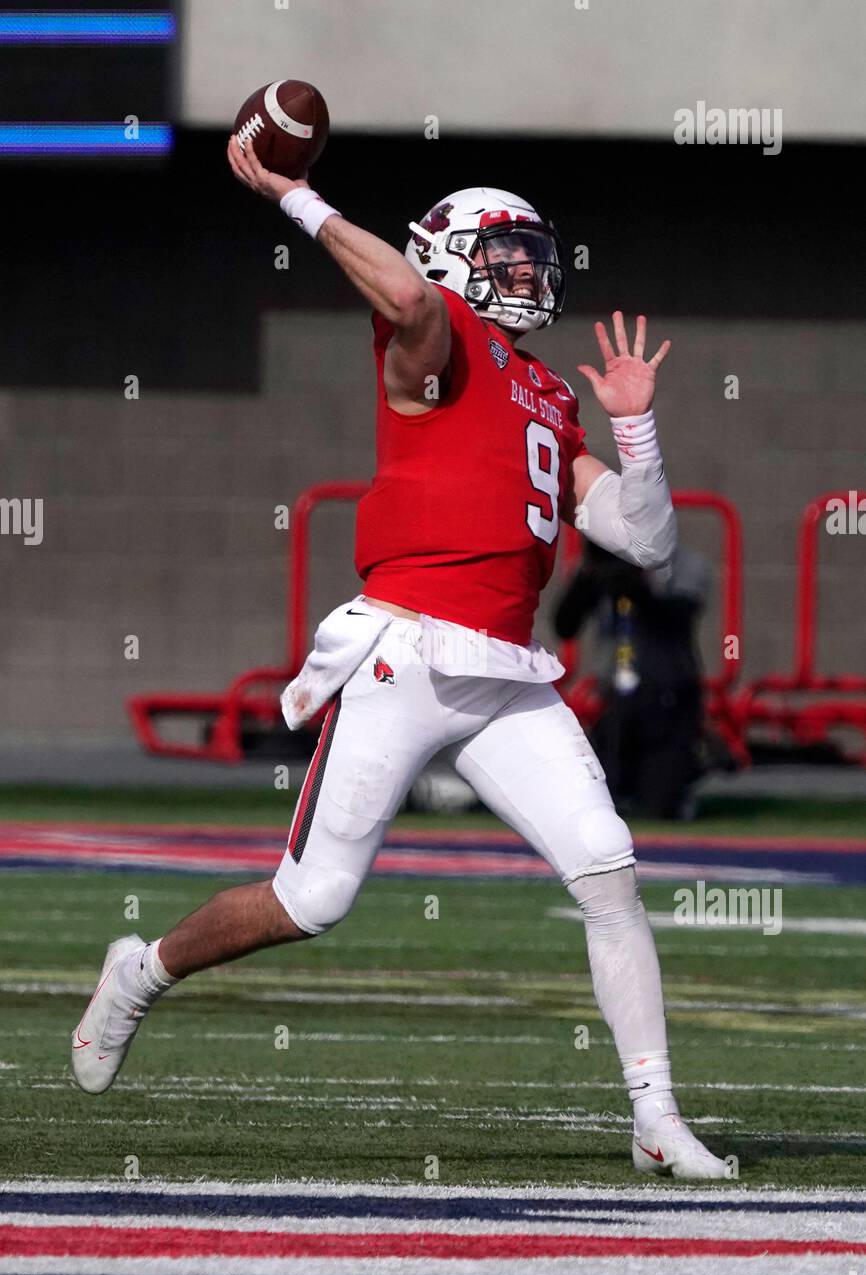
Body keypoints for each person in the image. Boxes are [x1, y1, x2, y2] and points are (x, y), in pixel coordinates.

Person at [70, 141, 729, 1179]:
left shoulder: (549, 396)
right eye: (505, 255)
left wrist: (637, 432)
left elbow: (642, 539)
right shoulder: (437, 336)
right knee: (313, 900)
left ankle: (652, 1114)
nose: (528, 272)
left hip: (505, 673)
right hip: (406, 653)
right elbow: (413, 307)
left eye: (530, 255)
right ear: (453, 260)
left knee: (606, 869)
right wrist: (294, 193)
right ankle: (140, 973)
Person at [554, 540, 711, 818]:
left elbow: (675, 620)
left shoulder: (682, 562)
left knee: (660, 807)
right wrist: (589, 578)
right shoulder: (604, 563)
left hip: (669, 695)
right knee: (602, 803)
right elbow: (564, 624)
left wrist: (636, 586)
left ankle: (684, 775)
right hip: (617, 699)